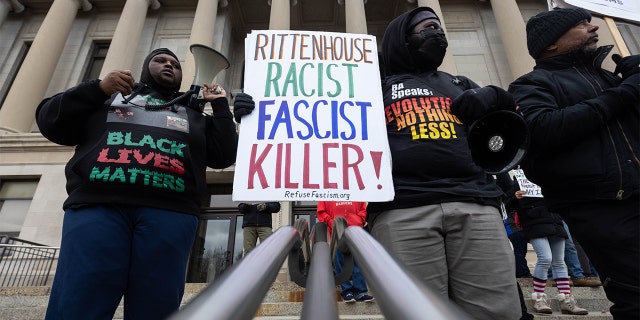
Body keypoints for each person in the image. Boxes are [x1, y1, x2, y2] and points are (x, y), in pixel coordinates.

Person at [36, 48, 244, 319]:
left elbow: (224, 155)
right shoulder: (108, 97)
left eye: (175, 64)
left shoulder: (193, 114)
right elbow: (49, 120)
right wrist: (97, 89)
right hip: (98, 207)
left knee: (157, 304)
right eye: (160, 60)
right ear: (146, 67)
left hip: (171, 214)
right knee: (78, 299)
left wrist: (221, 109)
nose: (169, 65)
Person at [366, 7, 521, 320]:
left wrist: (496, 96)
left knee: (496, 312)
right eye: (426, 27)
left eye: (439, 26)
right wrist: (255, 110)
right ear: (402, 39)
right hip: (403, 210)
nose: (437, 33)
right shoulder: (374, 88)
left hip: (475, 204)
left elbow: (507, 130)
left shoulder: (461, 83)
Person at [508, 7, 639, 319]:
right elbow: (544, 129)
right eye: (581, 25)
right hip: (601, 207)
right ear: (551, 43)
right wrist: (623, 93)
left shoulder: (610, 78)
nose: (593, 28)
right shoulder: (531, 85)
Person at [513, 188, 588, 315]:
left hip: (555, 222)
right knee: (545, 258)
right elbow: (508, 202)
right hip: (535, 223)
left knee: (558, 261)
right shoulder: (518, 178)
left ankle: (566, 299)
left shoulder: (548, 176)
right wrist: (516, 196)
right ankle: (539, 298)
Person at [316, 201, 374, 303]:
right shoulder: (326, 193)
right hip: (338, 231)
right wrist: (331, 222)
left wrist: (359, 220)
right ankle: (347, 291)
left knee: (358, 262)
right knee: (340, 261)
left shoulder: (355, 192)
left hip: (355, 230)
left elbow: (363, 209)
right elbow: (321, 212)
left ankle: (360, 291)